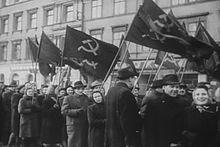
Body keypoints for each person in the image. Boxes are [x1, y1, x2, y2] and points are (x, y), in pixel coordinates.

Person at [142, 74, 189, 147]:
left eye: (177, 87)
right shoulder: (154, 104)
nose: (175, 89)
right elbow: (149, 130)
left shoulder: (184, 103)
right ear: (164, 87)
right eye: (172, 87)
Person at [105, 67, 141, 147]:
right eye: (134, 78)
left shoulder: (111, 91)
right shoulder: (126, 93)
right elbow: (128, 120)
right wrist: (129, 141)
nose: (134, 81)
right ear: (129, 79)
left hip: (112, 137)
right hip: (123, 139)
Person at [61, 81, 89, 147]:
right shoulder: (68, 98)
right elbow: (64, 111)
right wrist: (77, 111)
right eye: (78, 89)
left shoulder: (86, 98)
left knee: (83, 143)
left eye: (82, 89)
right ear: (74, 90)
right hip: (73, 124)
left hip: (84, 124)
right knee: (73, 143)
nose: (80, 90)